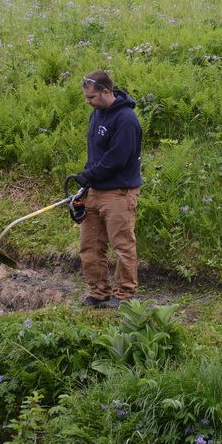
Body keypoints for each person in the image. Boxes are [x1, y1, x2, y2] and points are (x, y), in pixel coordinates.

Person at [73, 71, 142, 309]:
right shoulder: (96, 113)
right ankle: (99, 291)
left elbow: (116, 159)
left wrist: (89, 175)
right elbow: (96, 153)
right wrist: (86, 180)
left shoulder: (126, 119)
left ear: (105, 92)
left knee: (122, 245)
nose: (87, 101)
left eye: (91, 97)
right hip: (95, 190)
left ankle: (124, 295)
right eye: (86, 97)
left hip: (119, 193)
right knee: (90, 245)